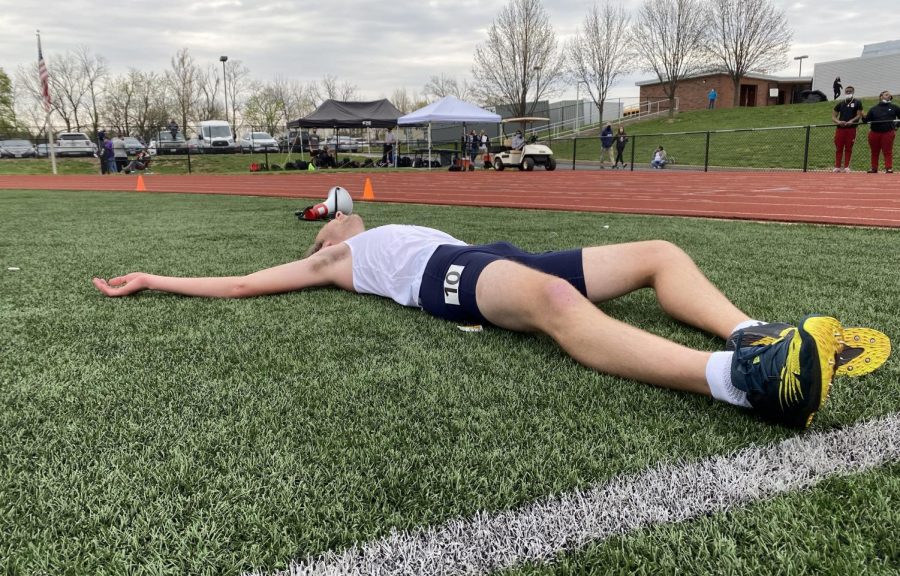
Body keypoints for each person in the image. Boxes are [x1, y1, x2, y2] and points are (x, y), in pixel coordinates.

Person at [93, 211, 876, 430]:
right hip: (450, 279)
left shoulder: (368, 224)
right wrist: (154, 278)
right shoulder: (329, 260)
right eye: (328, 222)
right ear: (324, 244)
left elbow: (350, 201)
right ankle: (744, 383)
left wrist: (348, 208)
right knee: (555, 307)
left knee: (659, 253)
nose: (337, 218)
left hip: (493, 252)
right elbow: (238, 285)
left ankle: (754, 333)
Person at [863, 90, 900, 174]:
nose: (889, 96)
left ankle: (888, 168)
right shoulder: (874, 109)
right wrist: (863, 115)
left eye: (890, 95)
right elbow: (866, 120)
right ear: (881, 96)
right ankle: (874, 168)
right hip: (874, 133)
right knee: (874, 151)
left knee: (888, 151)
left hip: (888, 133)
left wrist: (897, 125)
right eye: (886, 94)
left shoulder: (894, 107)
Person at [831, 85, 863, 173]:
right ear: (845, 92)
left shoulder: (857, 102)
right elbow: (833, 117)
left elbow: (859, 115)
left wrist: (851, 121)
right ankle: (837, 166)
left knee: (849, 147)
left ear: (853, 92)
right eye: (847, 91)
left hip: (851, 129)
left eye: (850, 91)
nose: (848, 93)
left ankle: (846, 166)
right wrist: (838, 122)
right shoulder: (840, 103)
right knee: (839, 148)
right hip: (840, 129)